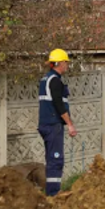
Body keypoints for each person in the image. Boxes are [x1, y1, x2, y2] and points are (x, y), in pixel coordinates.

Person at [38, 49, 77, 196]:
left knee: (51, 160)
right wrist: (70, 124)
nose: (67, 65)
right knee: (56, 160)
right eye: (66, 62)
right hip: (53, 125)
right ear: (60, 63)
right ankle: (54, 194)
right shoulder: (54, 81)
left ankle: (51, 191)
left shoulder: (46, 79)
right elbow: (59, 105)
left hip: (46, 124)